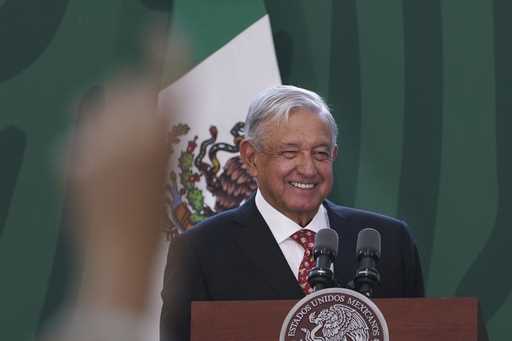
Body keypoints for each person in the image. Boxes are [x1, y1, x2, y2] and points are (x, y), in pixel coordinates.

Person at [160, 85, 424, 341]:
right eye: (290, 153)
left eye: (320, 154)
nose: (308, 169)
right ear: (251, 157)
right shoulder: (199, 251)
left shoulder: (389, 241)